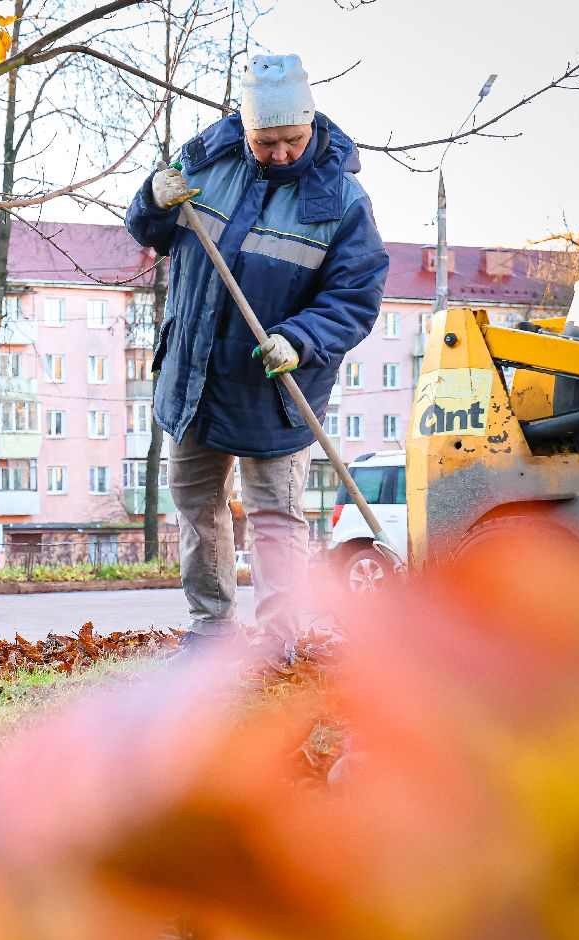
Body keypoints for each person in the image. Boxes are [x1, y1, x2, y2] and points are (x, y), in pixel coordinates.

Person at [126, 54, 389, 661]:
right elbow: (148, 231)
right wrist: (152, 199)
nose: (280, 154)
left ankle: (279, 641)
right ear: (245, 129)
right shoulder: (204, 162)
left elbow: (355, 295)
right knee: (198, 509)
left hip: (277, 387)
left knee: (275, 517)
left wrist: (301, 338)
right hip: (191, 379)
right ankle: (210, 630)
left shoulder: (341, 201)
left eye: (292, 140)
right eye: (265, 142)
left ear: (310, 122)